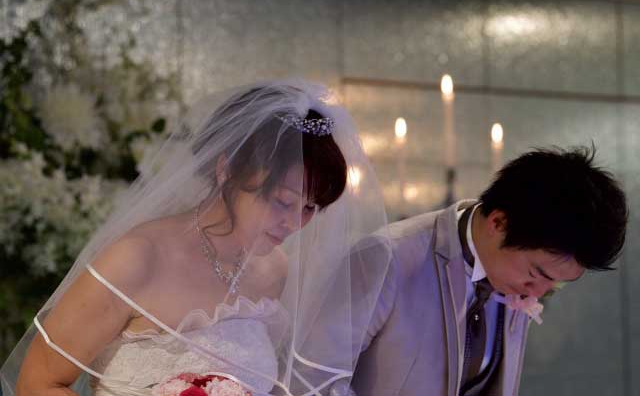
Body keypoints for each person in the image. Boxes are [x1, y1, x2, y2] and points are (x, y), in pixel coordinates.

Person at [0, 80, 391, 396]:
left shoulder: (273, 271)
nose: (293, 222)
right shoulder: (138, 259)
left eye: (310, 208)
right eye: (282, 200)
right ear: (226, 170)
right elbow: (38, 383)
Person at [350, 146, 628, 396]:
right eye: (536, 274)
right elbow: (316, 379)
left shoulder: (509, 278)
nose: (539, 294)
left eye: (556, 285)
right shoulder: (388, 257)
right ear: (499, 223)